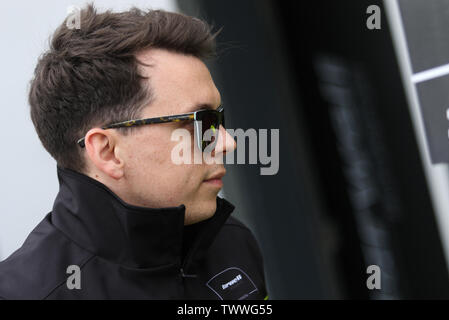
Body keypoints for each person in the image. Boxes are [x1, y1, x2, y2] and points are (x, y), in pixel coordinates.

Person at [0, 4, 268, 300]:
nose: (228, 143)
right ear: (108, 151)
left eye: (218, 119)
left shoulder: (231, 242)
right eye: (201, 123)